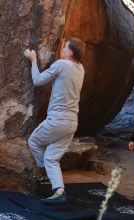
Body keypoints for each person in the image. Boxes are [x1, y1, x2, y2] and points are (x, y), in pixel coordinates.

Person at [24, 38, 86, 205]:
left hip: (57, 120)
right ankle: (59, 191)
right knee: (52, 158)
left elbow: (37, 81)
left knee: (34, 141)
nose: (62, 50)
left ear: (70, 53)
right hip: (72, 122)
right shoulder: (81, 69)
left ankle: (43, 172)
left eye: (65, 48)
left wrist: (34, 60)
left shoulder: (62, 64)